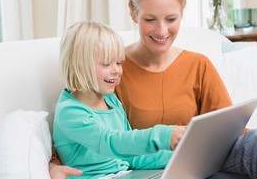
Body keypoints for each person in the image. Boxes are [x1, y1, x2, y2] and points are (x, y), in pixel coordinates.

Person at [50, 0, 257, 178]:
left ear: (182, 14)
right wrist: (50, 165)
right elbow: (96, 137)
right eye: (150, 19)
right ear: (133, 12)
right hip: (160, 171)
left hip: (197, 164)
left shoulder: (197, 65)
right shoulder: (113, 73)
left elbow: (233, 135)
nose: (162, 31)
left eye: (171, 19)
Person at [52, 21, 185, 179]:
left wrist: (180, 156)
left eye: (118, 63)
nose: (116, 70)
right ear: (77, 66)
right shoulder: (70, 111)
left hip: (126, 174)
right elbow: (109, 142)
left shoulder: (111, 100)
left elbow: (130, 155)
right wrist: (162, 136)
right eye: (106, 64)